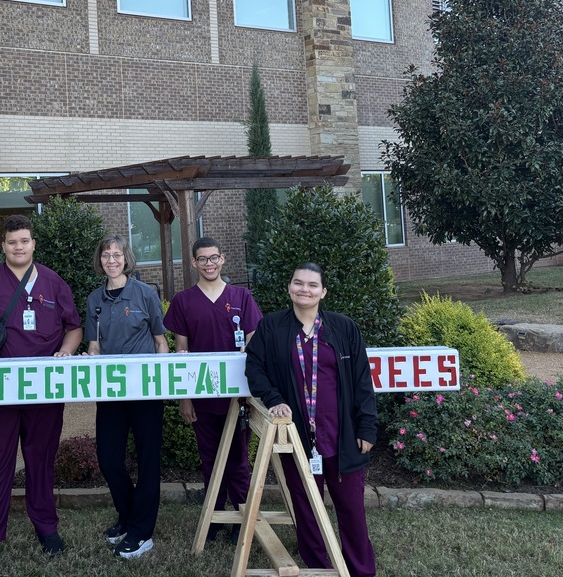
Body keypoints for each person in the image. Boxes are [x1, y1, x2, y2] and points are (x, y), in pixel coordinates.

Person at [0, 214, 82, 576]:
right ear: (3, 246)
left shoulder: (54, 282)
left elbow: (73, 328)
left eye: (24, 241)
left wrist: (67, 351)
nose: (19, 247)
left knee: (41, 459)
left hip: (43, 387)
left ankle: (47, 528)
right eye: (12, 242)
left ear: (33, 244)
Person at [245, 263, 377, 577]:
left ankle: (361, 570)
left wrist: (367, 425)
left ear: (323, 292)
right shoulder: (272, 327)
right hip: (299, 437)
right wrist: (274, 399)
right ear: (289, 287)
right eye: (298, 283)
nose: (305, 289)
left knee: (352, 511)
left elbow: (362, 380)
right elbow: (254, 369)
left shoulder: (343, 328)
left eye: (312, 285)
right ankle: (320, 565)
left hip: (343, 436)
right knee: (306, 506)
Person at [163, 236, 262, 541]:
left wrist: (248, 389)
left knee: (238, 460)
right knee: (209, 458)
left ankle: (242, 519)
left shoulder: (241, 296)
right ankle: (215, 517)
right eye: (202, 259)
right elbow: (181, 351)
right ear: (194, 263)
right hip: (203, 394)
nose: (208, 264)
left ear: (223, 259)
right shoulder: (184, 301)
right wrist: (185, 397)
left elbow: (252, 342)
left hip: (236, 395)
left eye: (213, 258)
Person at [85, 235, 169, 560]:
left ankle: (141, 533)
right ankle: (128, 516)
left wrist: (162, 380)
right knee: (108, 458)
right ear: (101, 260)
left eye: (117, 254)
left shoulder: (146, 293)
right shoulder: (94, 299)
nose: (111, 260)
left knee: (148, 461)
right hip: (111, 390)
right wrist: (88, 359)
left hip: (146, 390)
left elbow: (161, 342)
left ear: (126, 258)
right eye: (106, 255)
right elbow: (94, 346)